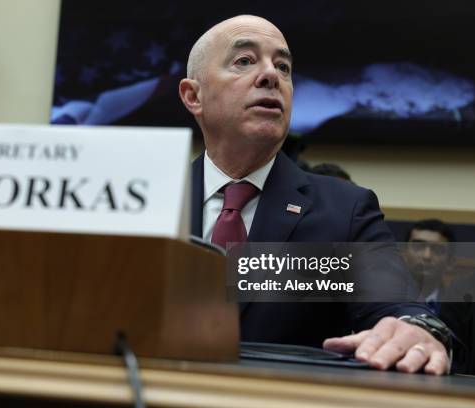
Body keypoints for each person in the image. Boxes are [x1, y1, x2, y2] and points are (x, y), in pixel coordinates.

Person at [179, 15, 450, 375]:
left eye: (283, 66)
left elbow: (397, 308)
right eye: (244, 61)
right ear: (193, 95)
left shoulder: (345, 210)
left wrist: (418, 330)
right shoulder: (148, 199)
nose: (270, 75)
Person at [404, 219, 456, 311]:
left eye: (437, 249)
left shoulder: (459, 307)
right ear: (404, 255)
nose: (426, 256)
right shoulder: (382, 299)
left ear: (450, 263)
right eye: (418, 247)